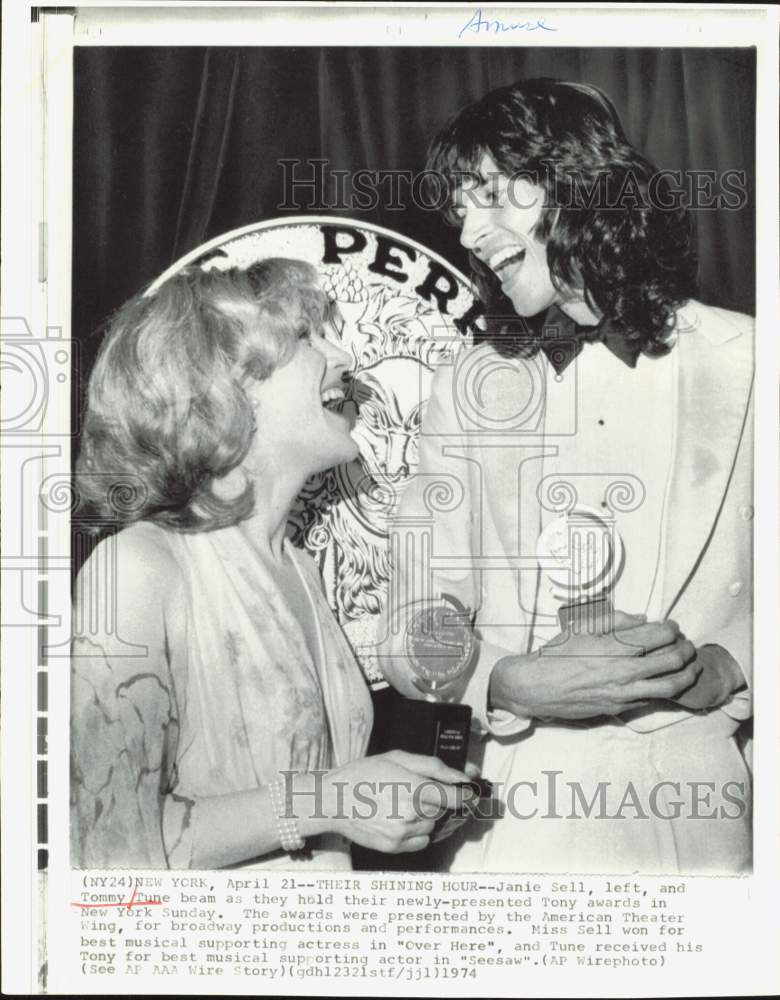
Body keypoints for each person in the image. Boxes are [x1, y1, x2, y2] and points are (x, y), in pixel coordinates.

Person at [378, 78, 753, 873]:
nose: (471, 232)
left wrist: (730, 669)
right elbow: (414, 617)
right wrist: (502, 682)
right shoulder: (466, 387)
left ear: (579, 180)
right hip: (521, 816)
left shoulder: (755, 362)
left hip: (708, 816)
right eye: (457, 211)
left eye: (487, 195)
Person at [70, 258, 473, 870]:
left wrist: (396, 802)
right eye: (306, 338)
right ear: (226, 383)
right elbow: (108, 852)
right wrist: (331, 800)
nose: (343, 356)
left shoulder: (302, 570)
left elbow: (324, 812)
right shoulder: (137, 568)